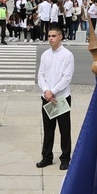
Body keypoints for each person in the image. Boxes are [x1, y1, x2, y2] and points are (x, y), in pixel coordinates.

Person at [35, 24, 74, 171]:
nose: (50, 39)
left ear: (60, 37)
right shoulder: (45, 55)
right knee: (48, 129)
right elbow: (41, 76)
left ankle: (65, 158)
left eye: (53, 36)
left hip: (62, 97)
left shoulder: (67, 55)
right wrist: (46, 91)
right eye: (49, 36)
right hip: (46, 97)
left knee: (64, 129)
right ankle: (47, 156)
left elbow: (67, 78)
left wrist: (53, 91)